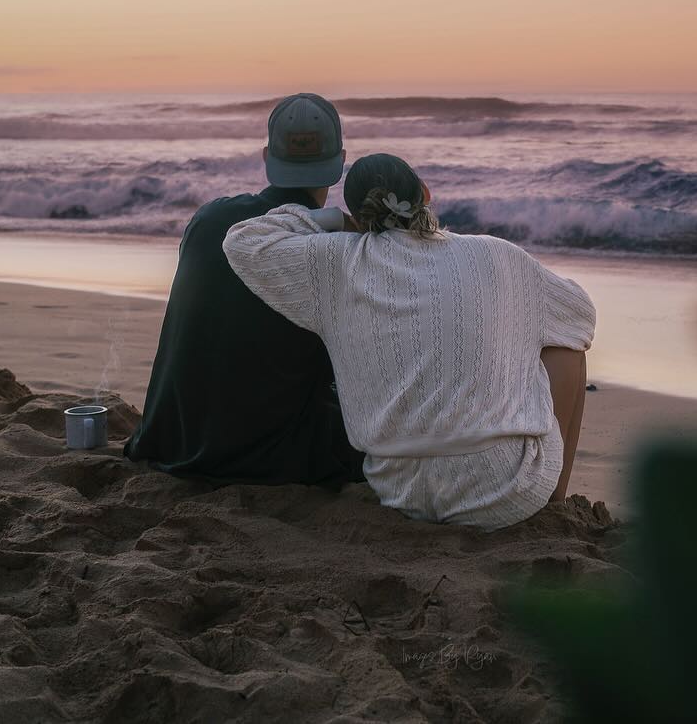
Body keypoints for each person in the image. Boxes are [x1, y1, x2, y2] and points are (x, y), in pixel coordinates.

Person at [222, 153, 595, 529]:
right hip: (504, 491)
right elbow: (581, 315)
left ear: (359, 215)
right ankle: (552, 501)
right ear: (426, 194)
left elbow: (243, 239)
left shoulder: (335, 261)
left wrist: (334, 220)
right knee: (566, 346)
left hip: (398, 491)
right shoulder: (495, 254)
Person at [123, 93, 365, 487]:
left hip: (174, 440)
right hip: (270, 456)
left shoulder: (208, 218)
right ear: (340, 161)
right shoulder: (333, 253)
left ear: (268, 156)